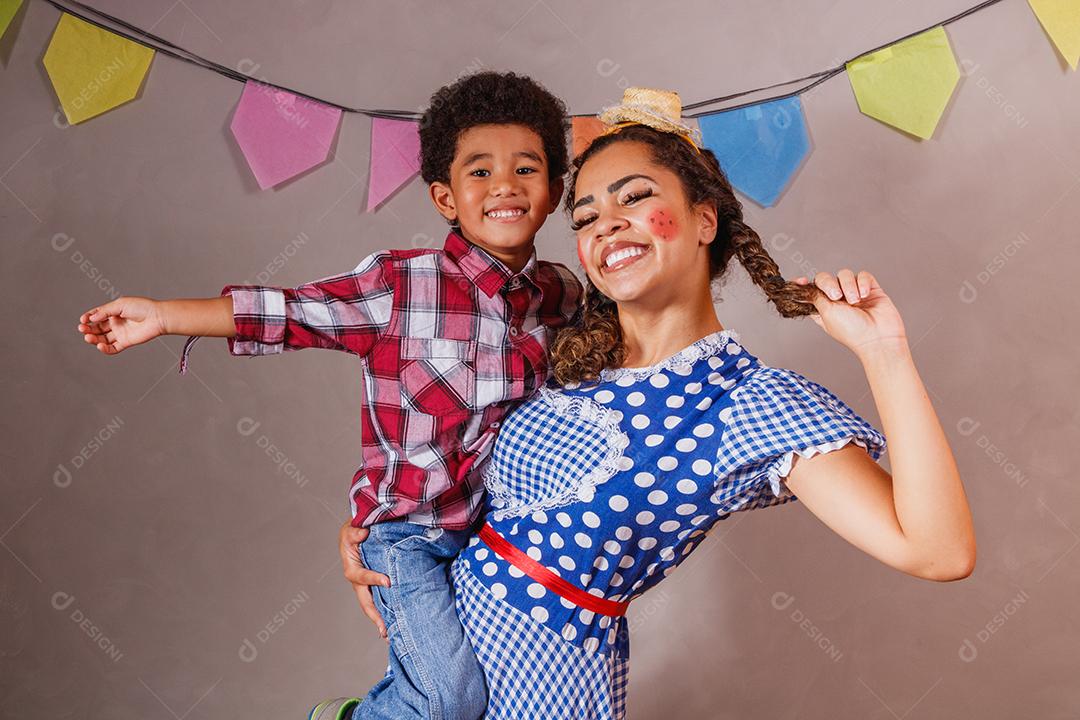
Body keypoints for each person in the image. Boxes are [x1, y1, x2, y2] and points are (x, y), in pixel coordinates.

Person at [337, 87, 976, 719]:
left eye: (635, 197)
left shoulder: (749, 403)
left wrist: (884, 352)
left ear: (705, 220)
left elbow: (938, 552)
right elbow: (436, 442)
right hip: (442, 669)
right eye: (585, 217)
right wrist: (381, 527)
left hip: (550, 683)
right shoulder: (561, 350)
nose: (606, 224)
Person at [75, 71, 584, 720]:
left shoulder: (561, 295)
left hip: (498, 534)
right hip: (407, 537)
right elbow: (290, 312)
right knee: (451, 700)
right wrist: (165, 315)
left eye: (526, 168)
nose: (505, 185)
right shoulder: (401, 284)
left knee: (509, 693)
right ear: (445, 197)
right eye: (479, 171)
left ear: (555, 191)